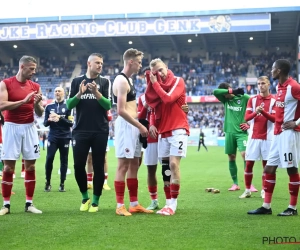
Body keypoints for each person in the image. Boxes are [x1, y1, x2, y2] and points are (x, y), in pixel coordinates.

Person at [248, 59, 300, 216]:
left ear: (280, 71)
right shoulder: (279, 87)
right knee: (268, 168)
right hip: (277, 134)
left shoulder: (294, 86)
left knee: (291, 169)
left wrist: (296, 122)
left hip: (289, 134)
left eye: (273, 69)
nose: (271, 71)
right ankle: (266, 206)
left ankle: (292, 208)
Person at [66, 53, 112, 213]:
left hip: (100, 130)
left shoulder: (105, 82)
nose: (100, 65)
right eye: (97, 63)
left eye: (102, 63)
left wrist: (97, 93)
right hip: (80, 130)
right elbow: (69, 104)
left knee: (98, 166)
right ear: (89, 63)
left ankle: (95, 201)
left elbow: (108, 106)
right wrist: (80, 93)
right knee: (79, 165)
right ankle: (85, 197)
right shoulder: (77, 81)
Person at [0, 55, 44, 215]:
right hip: (11, 127)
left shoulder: (35, 86)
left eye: (35, 68)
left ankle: (29, 203)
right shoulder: (6, 84)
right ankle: (6, 205)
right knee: (8, 167)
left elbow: (39, 112)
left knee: (30, 166)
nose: (34, 71)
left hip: (29, 127)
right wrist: (24, 101)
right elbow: (2, 104)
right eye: (31, 68)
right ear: (22, 67)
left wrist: (37, 104)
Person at [145, 58, 189, 216]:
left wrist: (155, 84)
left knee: (173, 164)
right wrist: (151, 124)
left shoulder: (178, 80)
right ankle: (168, 203)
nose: (160, 74)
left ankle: (173, 204)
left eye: (161, 69)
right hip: (163, 132)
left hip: (178, 129)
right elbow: (153, 108)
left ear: (167, 67)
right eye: (156, 72)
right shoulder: (155, 90)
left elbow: (168, 99)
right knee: (165, 170)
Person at [113, 48, 152, 216]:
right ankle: (120, 205)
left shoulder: (129, 80)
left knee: (135, 164)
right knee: (123, 165)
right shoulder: (121, 81)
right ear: (131, 62)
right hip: (126, 126)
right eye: (139, 62)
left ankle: (134, 203)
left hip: (134, 126)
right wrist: (140, 126)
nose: (140, 65)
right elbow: (121, 110)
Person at [138, 93, 189, 211]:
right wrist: (146, 106)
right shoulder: (142, 97)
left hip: (165, 134)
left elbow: (178, 109)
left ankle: (170, 201)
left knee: (167, 169)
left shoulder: (167, 93)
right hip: (151, 138)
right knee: (151, 170)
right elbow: (140, 116)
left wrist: (186, 109)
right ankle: (154, 200)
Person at [239, 76, 275, 199]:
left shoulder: (274, 100)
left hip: (268, 138)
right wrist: (257, 112)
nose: (261, 86)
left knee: (266, 166)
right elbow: (247, 117)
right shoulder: (252, 100)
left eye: (263, 83)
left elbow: (275, 119)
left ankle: (264, 191)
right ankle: (247, 190)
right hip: (253, 137)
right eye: (259, 84)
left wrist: (263, 112)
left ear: (269, 84)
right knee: (248, 164)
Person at [213, 83, 254, 191]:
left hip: (241, 133)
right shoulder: (225, 99)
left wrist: (249, 124)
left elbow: (255, 109)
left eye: (226, 93)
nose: (225, 95)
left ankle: (249, 184)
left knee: (245, 155)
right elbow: (215, 92)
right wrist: (232, 91)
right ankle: (235, 184)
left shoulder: (244, 98)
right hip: (229, 132)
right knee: (231, 157)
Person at [44, 87, 73, 192]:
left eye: (59, 91)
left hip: (65, 137)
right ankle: (48, 182)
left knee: (64, 160)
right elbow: (45, 123)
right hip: (53, 137)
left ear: (63, 93)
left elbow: (71, 123)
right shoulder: (49, 107)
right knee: (49, 158)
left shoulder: (69, 106)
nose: (57, 93)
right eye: (55, 91)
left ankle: (62, 183)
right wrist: (50, 119)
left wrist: (59, 118)